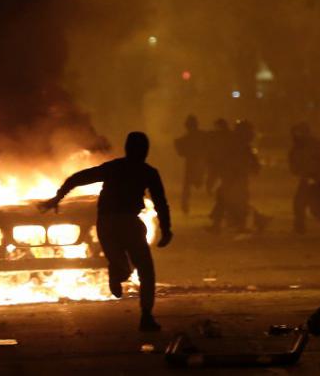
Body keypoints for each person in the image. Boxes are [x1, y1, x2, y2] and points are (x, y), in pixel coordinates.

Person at [39, 132, 173, 332]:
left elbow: (77, 178)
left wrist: (57, 198)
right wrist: (166, 229)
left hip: (109, 224)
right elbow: (161, 203)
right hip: (124, 223)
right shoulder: (147, 172)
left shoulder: (116, 168)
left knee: (134, 268)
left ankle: (123, 281)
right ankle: (144, 313)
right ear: (145, 151)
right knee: (145, 271)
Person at [173, 114, 206, 215]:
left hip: (198, 162)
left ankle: (185, 205)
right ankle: (185, 205)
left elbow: (181, 150)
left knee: (192, 184)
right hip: (195, 162)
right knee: (189, 184)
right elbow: (181, 150)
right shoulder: (198, 136)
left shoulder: (198, 136)